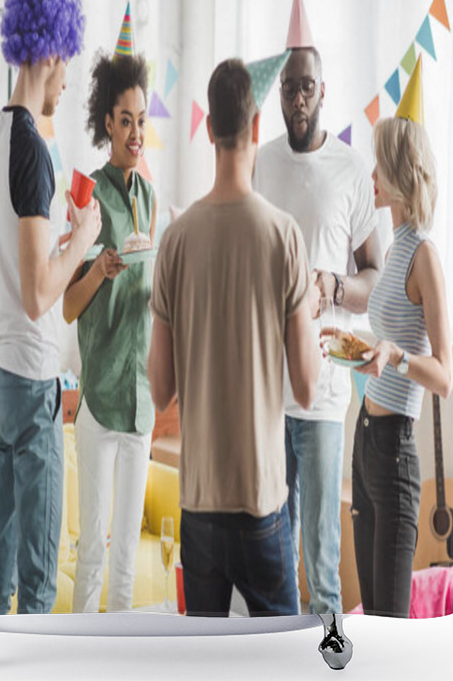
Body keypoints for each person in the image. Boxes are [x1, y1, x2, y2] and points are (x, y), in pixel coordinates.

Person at [147, 58, 321, 617]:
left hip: (198, 505)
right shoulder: (283, 236)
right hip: (261, 503)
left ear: (208, 129)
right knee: (285, 661)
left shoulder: (175, 240)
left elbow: (159, 391)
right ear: (254, 125)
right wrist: (310, 309)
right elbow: (308, 387)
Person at [0, 0, 102, 615]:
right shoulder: (32, 149)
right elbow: (42, 294)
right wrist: (85, 235)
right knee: (41, 580)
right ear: (47, 49)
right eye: (67, 61)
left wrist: (53, 246)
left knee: (0, 560)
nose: (67, 79)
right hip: (32, 378)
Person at [253, 0, 382, 614]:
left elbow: (376, 278)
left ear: (323, 92)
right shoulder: (261, 162)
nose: (298, 97)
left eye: (307, 86)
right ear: (277, 91)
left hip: (328, 392)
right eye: (288, 86)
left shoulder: (351, 171)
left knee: (322, 566)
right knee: (273, 554)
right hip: (268, 389)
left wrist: (332, 284)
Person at [335, 55, 453, 618]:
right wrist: (354, 342)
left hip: (397, 454)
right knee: (370, 616)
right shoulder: (395, 240)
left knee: (389, 625)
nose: (372, 178)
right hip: (365, 443)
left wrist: (396, 356)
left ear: (400, 173)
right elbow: (386, 341)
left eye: (378, 167)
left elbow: (444, 377)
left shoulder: (425, 255)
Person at [63, 8, 157, 613]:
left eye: (142, 121)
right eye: (126, 121)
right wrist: (100, 268)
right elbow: (67, 306)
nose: (136, 133)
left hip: (143, 399)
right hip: (98, 397)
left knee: (126, 557)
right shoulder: (87, 193)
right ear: (107, 123)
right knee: (93, 555)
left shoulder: (151, 197)